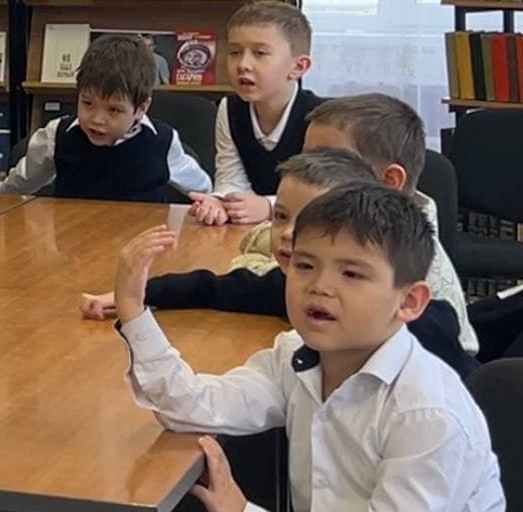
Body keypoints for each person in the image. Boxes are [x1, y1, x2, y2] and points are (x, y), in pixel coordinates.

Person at [113, 184, 503, 512]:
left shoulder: (427, 415)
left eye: (351, 273)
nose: (319, 286)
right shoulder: (297, 355)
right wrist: (133, 311)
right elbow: (192, 405)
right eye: (304, 265)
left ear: (409, 302)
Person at [78, 148, 474, 376]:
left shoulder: (415, 328)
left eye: (310, 221)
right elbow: (217, 287)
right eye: (281, 216)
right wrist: (138, 293)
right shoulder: (298, 285)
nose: (287, 234)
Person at [298, 94, 478, 356]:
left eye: (328, 165)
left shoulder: (399, 258)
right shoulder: (358, 231)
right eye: (306, 161)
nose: (307, 175)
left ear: (389, 181)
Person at [0, 33, 210, 200]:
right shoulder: (57, 135)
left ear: (141, 108)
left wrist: (211, 202)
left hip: (143, 237)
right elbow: (19, 184)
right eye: (88, 103)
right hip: (74, 236)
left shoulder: (162, 141)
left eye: (113, 110)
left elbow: (201, 187)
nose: (97, 119)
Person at [192, 1, 318, 227]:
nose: (243, 64)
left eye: (260, 53)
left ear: (298, 67)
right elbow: (231, 177)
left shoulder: (321, 118)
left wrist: (270, 207)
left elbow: (325, 193)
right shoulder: (229, 108)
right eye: (235, 52)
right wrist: (220, 202)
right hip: (248, 231)